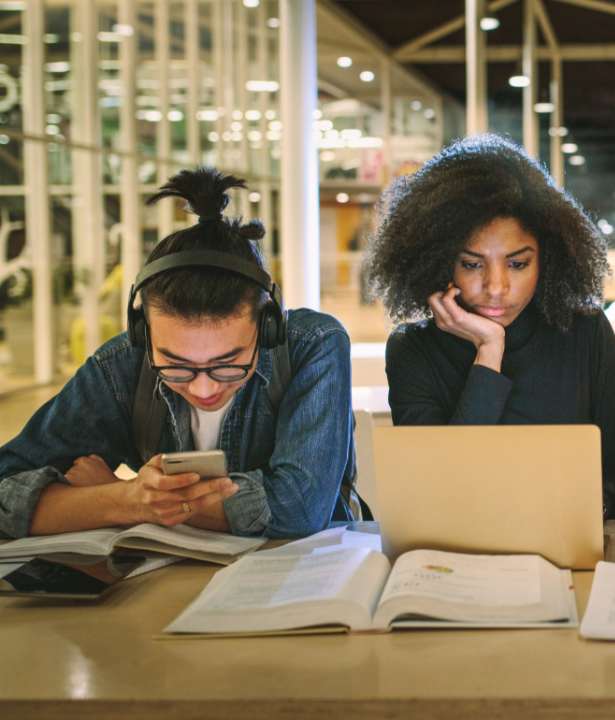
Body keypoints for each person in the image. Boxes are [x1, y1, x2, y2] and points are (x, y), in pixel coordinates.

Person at [0, 168, 356, 539]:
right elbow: (6, 483)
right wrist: (126, 499)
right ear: (142, 332)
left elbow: (300, 509)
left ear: (268, 326)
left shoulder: (312, 345)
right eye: (175, 366)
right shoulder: (121, 365)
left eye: (228, 364)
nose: (203, 390)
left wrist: (119, 496)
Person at [364, 134, 615, 520]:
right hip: (459, 555)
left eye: (517, 264)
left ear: (547, 259)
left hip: (568, 547)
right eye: (473, 264)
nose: (496, 288)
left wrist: (580, 510)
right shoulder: (413, 350)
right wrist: (489, 350)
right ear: (440, 262)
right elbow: (440, 492)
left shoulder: (584, 332)